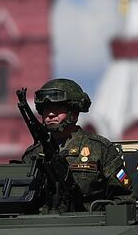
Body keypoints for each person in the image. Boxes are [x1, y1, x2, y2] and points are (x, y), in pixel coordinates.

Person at [20, 78, 131, 206]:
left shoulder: (99, 149)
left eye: (58, 108)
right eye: (46, 109)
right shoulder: (33, 154)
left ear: (74, 112)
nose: (50, 114)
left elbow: (124, 197)